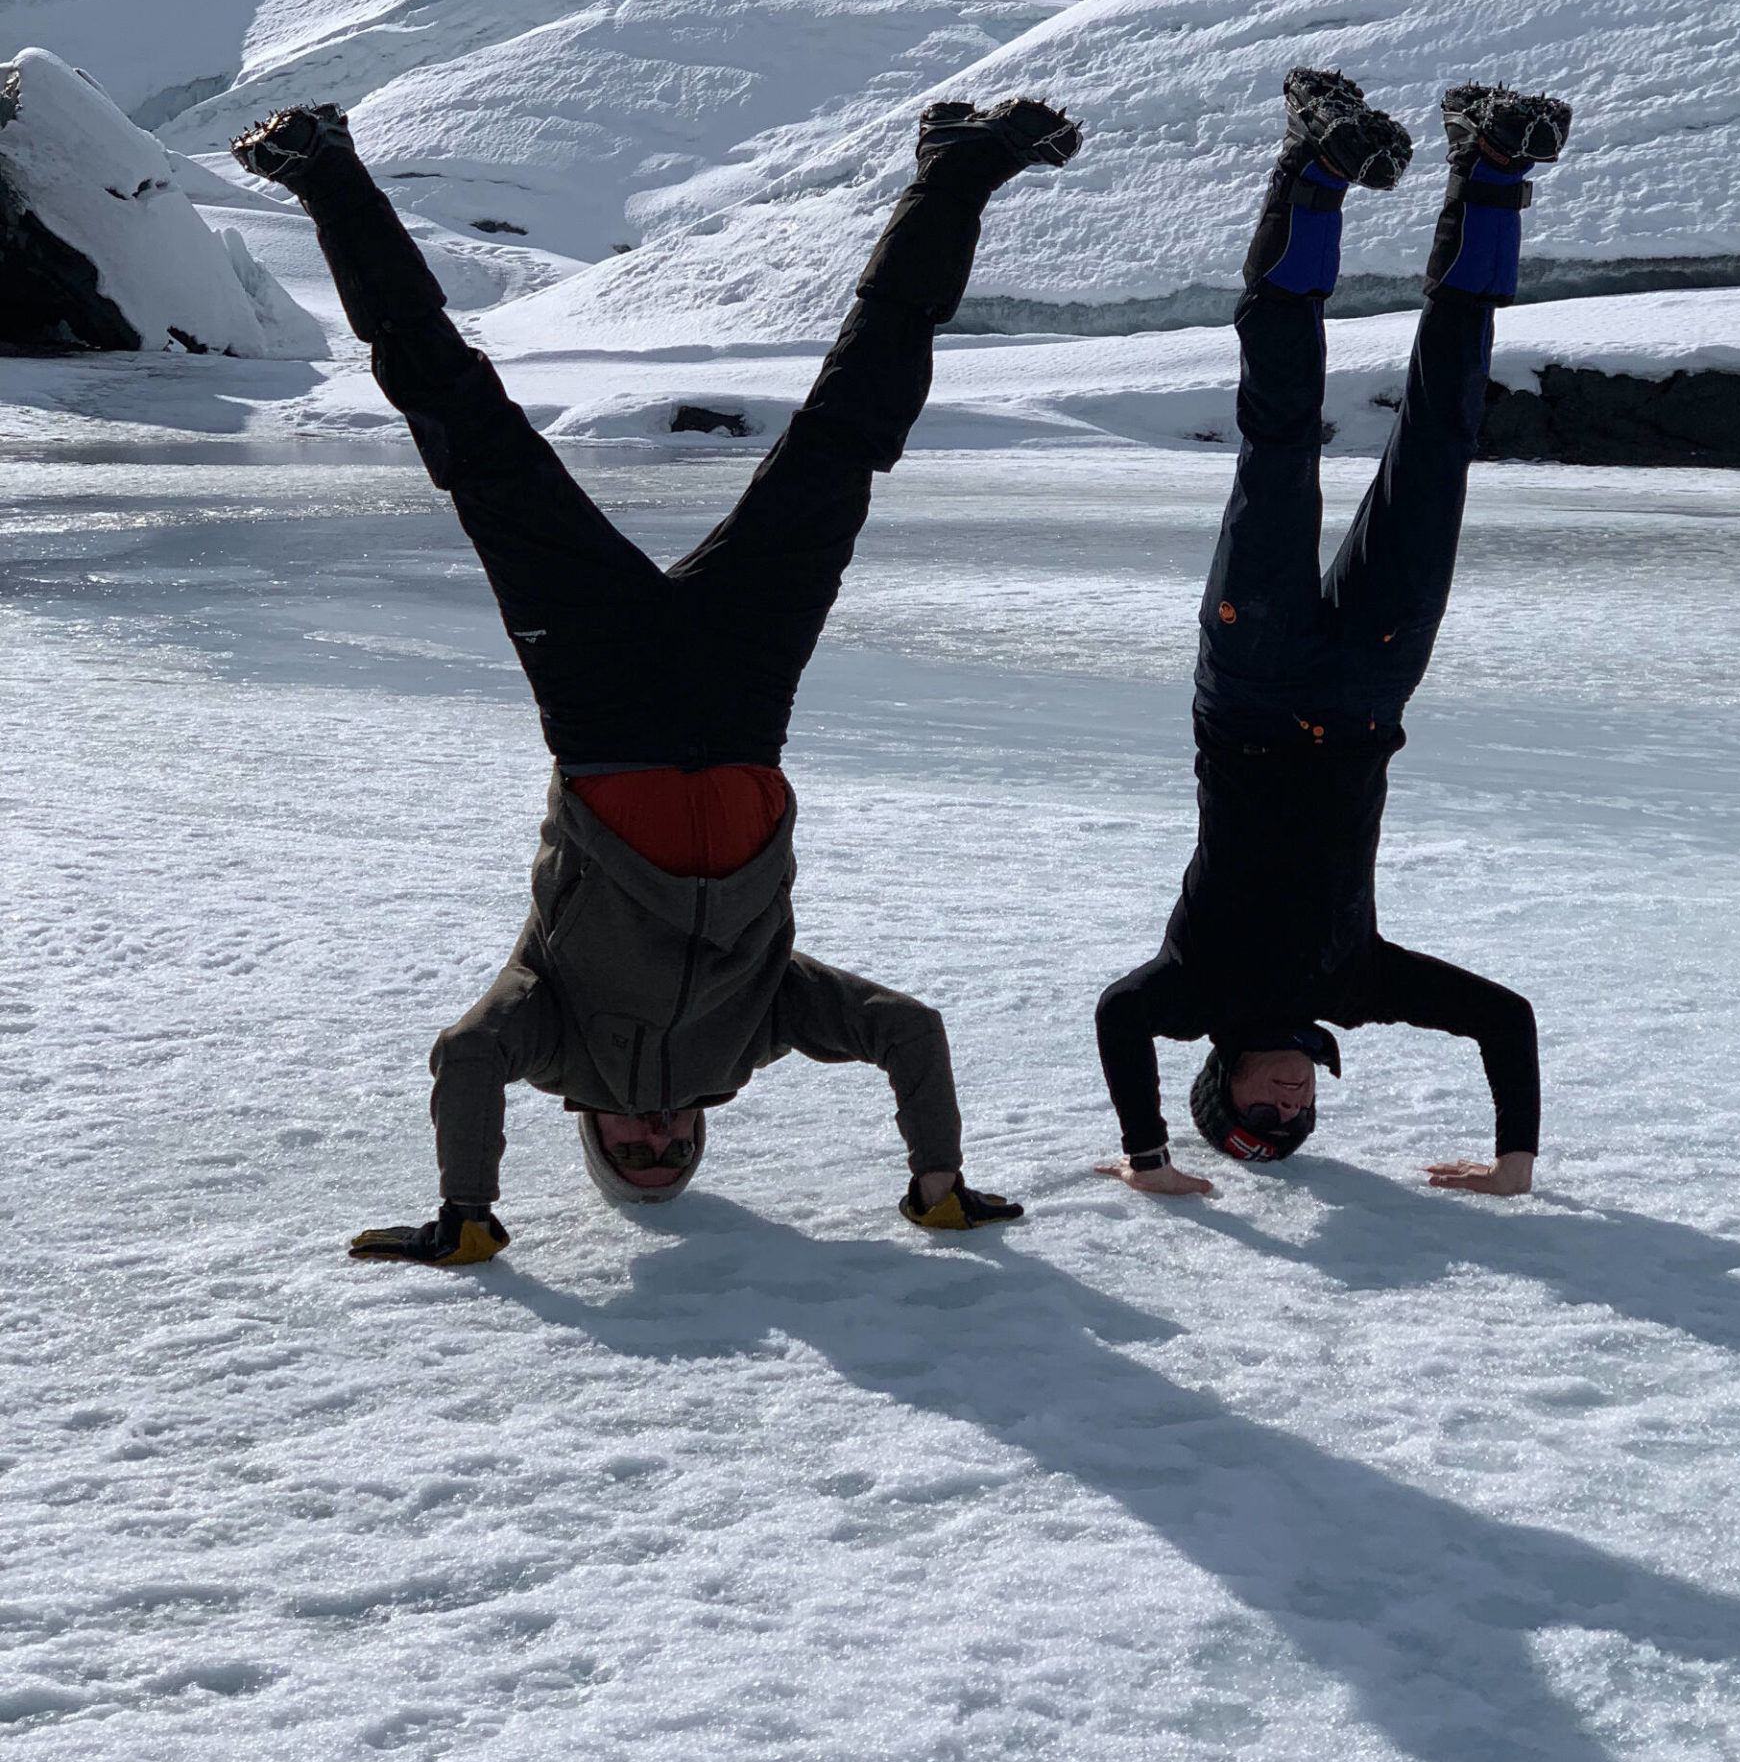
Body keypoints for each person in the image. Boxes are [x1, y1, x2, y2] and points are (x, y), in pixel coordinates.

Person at [230, 91, 1081, 1263]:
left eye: (630, 1147)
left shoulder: (548, 1039)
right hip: (742, 708)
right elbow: (905, 1027)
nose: (654, 1132)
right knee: (849, 434)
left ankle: (323, 169)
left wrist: (469, 1210)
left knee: (472, 435)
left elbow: (464, 1057)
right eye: (669, 1150)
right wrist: (937, 1178)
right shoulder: (754, 1038)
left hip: (605, 709)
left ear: (587, 1127)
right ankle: (959, 167)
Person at [1094, 68, 1570, 1201]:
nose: (1290, 1103)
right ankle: (1488, 167)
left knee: (1279, 444)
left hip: (1252, 692)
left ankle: (1313, 169)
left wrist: (1149, 1152)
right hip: (1367, 691)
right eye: (1297, 1119)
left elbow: (1117, 1019)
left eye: (1259, 1115)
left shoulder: (1189, 991)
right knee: (1445, 440)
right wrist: (1515, 1162)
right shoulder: (1358, 982)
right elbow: (1505, 1017)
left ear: (1219, 1083)